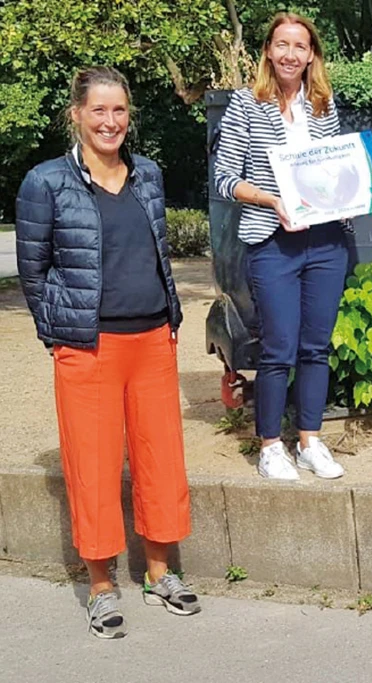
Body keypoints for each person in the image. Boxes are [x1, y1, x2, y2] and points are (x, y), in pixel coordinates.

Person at [15, 66, 200, 639]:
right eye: (98, 110)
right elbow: (32, 268)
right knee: (92, 465)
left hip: (152, 340)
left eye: (119, 111)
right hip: (88, 346)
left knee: (159, 458)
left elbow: (158, 253)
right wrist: (59, 334)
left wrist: (169, 319)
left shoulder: (147, 174)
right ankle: (100, 584)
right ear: (76, 115)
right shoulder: (45, 182)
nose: (110, 122)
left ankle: (160, 572)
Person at [214, 12, 348, 481]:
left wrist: (352, 194)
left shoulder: (324, 105)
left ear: (312, 54)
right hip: (272, 239)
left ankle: (310, 439)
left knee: (316, 346)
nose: (291, 54)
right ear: (268, 51)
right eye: (282, 44)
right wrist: (272, 199)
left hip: (326, 241)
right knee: (278, 347)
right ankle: (271, 445)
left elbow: (335, 171)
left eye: (300, 46)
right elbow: (225, 178)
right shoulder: (245, 104)